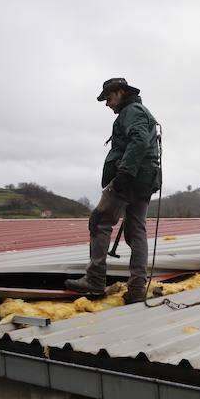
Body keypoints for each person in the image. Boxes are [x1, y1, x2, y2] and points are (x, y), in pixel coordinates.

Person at [65, 78, 161, 303]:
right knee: (136, 230)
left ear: (120, 93)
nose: (107, 103)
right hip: (146, 179)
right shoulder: (139, 111)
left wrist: (124, 175)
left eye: (108, 98)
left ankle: (95, 280)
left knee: (100, 220)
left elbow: (138, 141)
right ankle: (137, 288)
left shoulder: (132, 111)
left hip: (131, 177)